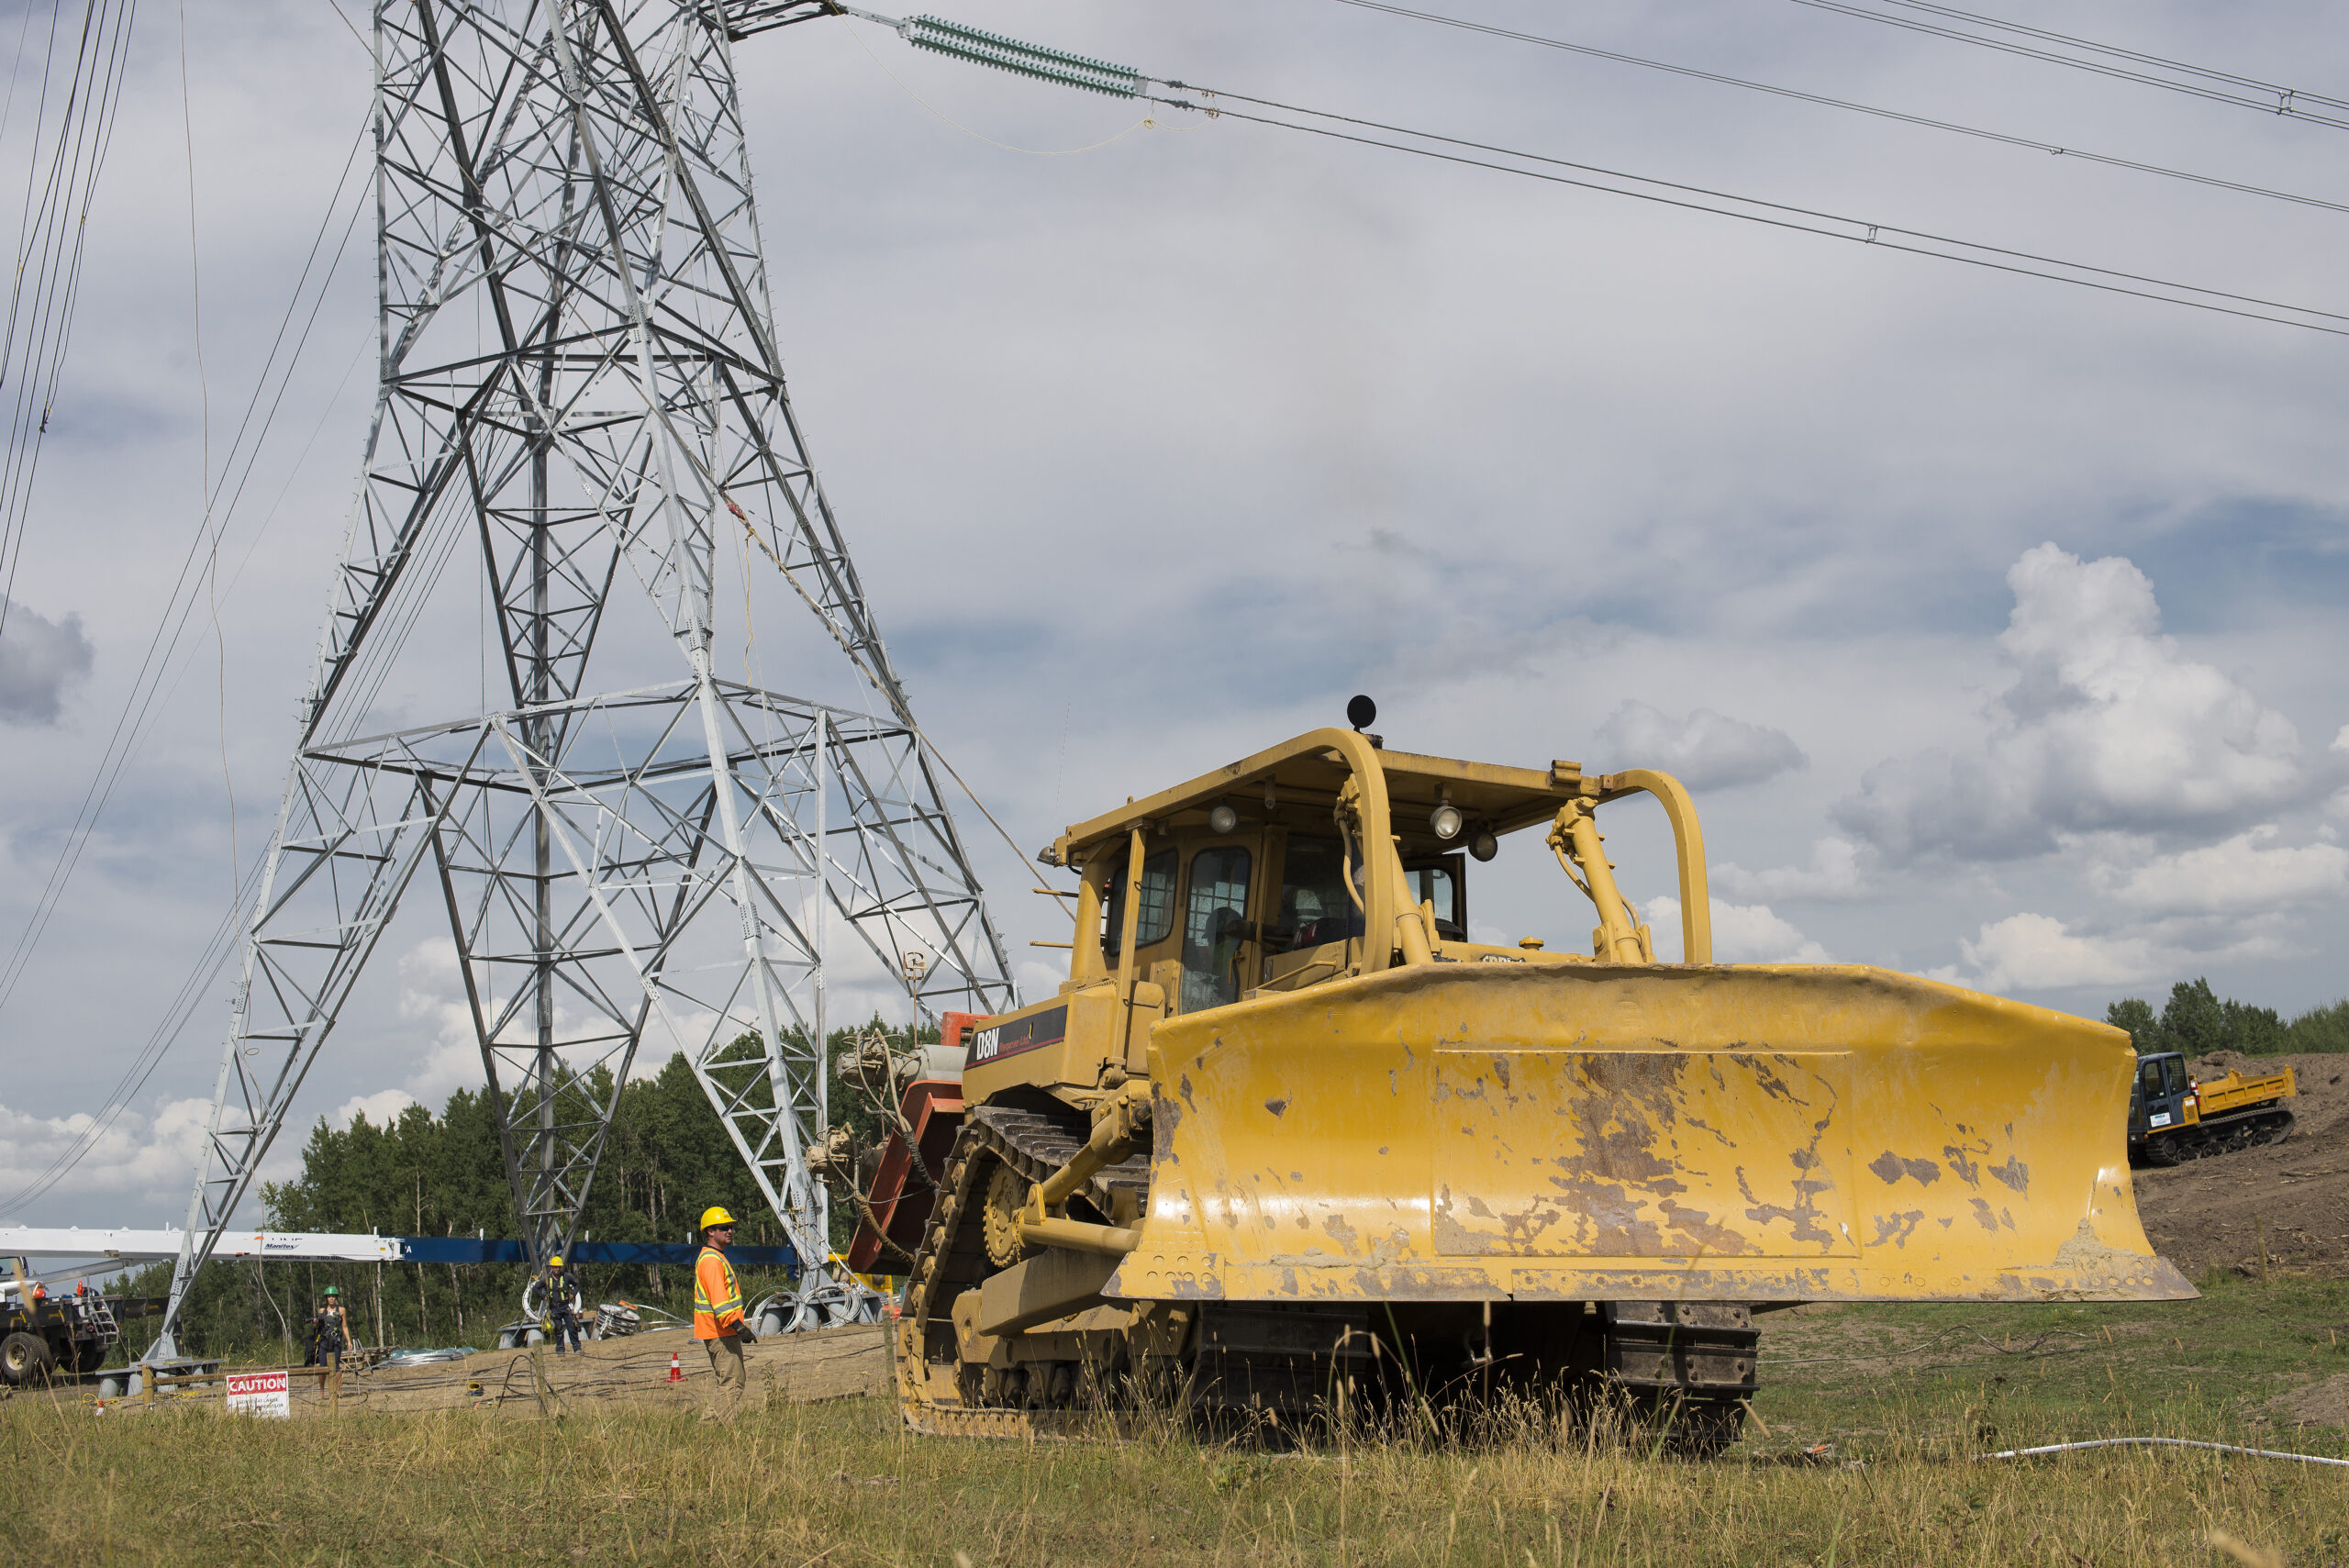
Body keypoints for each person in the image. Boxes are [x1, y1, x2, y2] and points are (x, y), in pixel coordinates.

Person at [693, 1206, 756, 1423]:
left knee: (727, 1382)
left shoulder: (714, 1257)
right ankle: (720, 1429)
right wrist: (738, 1326)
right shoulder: (712, 1261)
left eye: (730, 1227)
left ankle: (709, 1426)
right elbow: (720, 1302)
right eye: (723, 1228)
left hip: (719, 1330)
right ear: (710, 1232)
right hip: (721, 1331)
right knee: (733, 1382)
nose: (729, 1231)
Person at [544, 1254, 583, 1355]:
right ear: (551, 1267)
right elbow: (536, 1288)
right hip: (555, 1309)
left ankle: (577, 1348)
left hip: (565, 1307)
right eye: (555, 1267)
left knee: (572, 1328)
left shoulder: (567, 1276)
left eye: (559, 1267)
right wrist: (543, 1296)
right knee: (558, 1330)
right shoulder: (547, 1279)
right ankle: (560, 1350)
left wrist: (573, 1294)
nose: (557, 1269)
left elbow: (577, 1284)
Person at [305, 1285, 349, 1367]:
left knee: (336, 1366)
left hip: (336, 1341)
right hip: (324, 1341)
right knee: (323, 1366)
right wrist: (316, 1322)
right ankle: (322, 1380)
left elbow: (344, 1326)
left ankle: (338, 1380)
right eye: (329, 1296)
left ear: (336, 1298)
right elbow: (318, 1327)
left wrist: (348, 1341)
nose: (331, 1298)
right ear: (326, 1298)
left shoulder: (341, 1310)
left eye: (333, 1296)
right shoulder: (322, 1311)